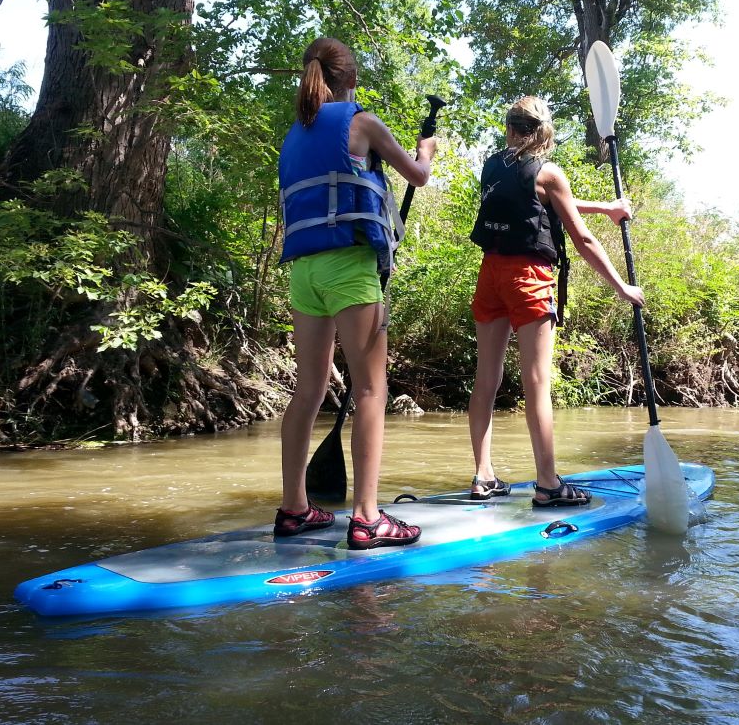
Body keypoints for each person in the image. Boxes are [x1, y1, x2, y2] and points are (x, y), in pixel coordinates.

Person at [275, 37, 434, 549]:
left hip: (305, 275)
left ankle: (295, 509)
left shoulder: (292, 137)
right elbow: (419, 176)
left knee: (309, 389)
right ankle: (366, 518)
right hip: (349, 269)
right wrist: (426, 149)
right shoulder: (360, 123)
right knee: (370, 390)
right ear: (351, 78)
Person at [467, 96, 644, 506]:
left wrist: (604, 208)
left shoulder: (492, 167)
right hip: (528, 278)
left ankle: (483, 476)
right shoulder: (549, 172)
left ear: (510, 127)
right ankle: (548, 484)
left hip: (490, 274)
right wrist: (622, 288)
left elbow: (543, 200)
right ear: (544, 131)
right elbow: (580, 237)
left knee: (486, 379)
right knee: (537, 382)